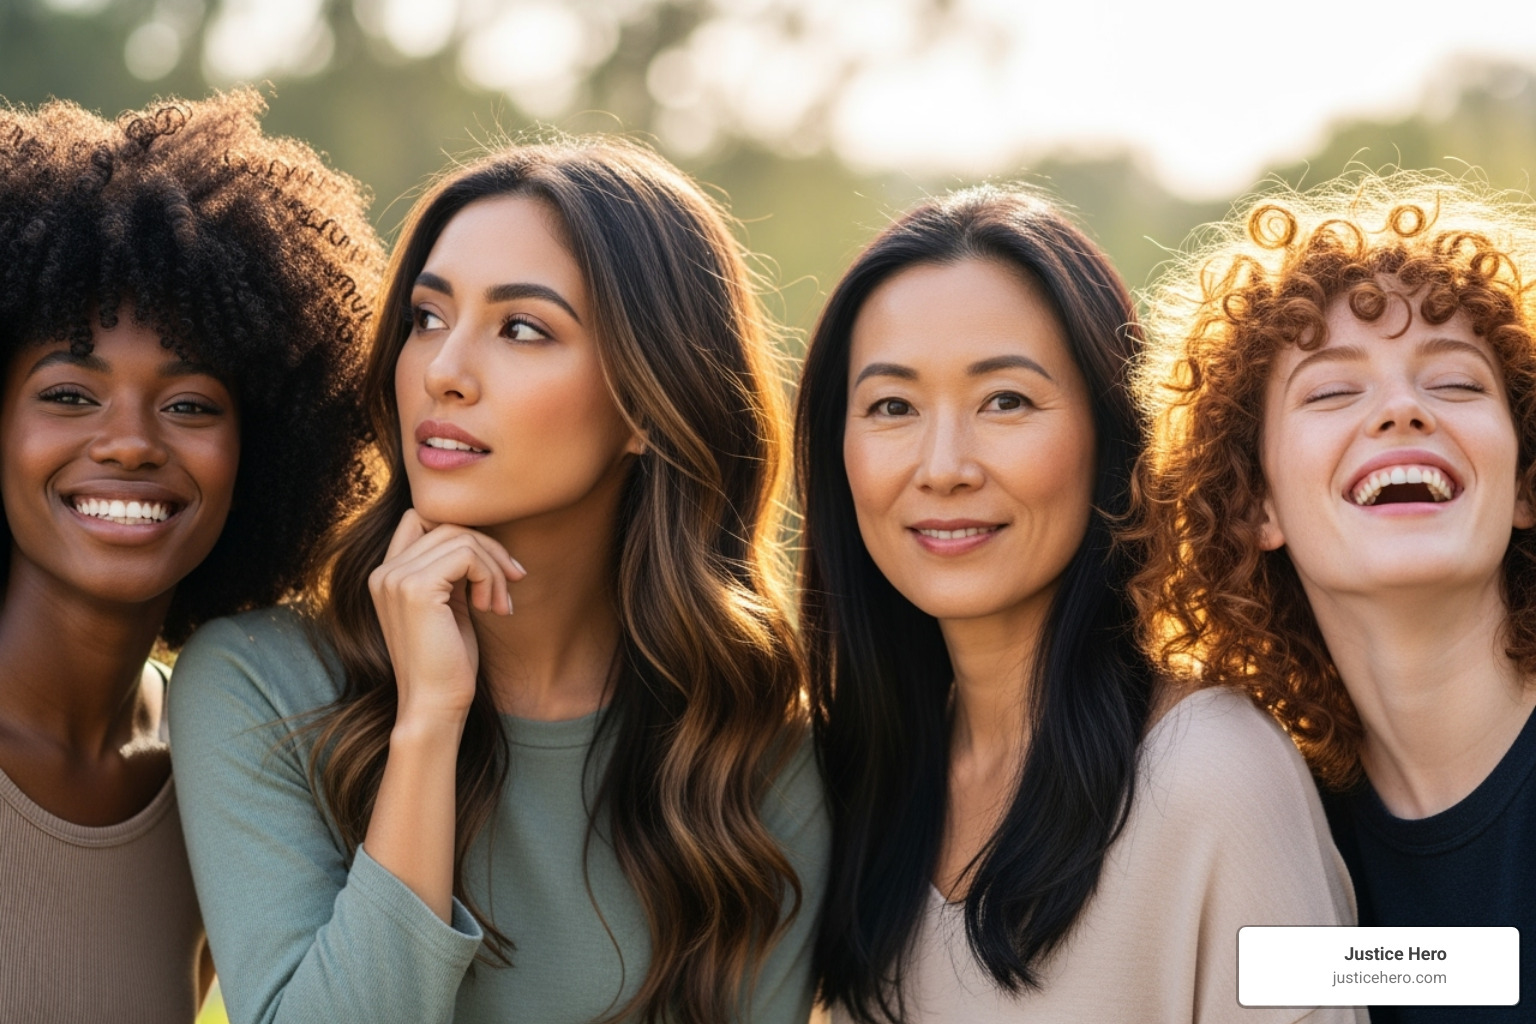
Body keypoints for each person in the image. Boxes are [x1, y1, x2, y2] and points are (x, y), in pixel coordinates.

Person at [170, 136, 827, 1024]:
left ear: (648, 404)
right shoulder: (259, 686)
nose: (443, 370)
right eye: (428, 318)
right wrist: (428, 724)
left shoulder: (755, 743)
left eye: (522, 328)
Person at [796, 184, 1361, 1023]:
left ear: (1111, 434)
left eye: (1006, 401)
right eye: (892, 406)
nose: (944, 464)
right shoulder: (853, 783)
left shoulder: (1218, 771)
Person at [0, 90, 380, 1022]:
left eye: (190, 405)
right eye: (69, 395)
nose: (130, 443)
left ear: (269, 451)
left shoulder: (227, 780)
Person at [1133, 170, 1536, 1023]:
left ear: (1526, 481)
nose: (1401, 409)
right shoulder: (1277, 830)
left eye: (1456, 383)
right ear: (1253, 504)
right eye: (1332, 390)